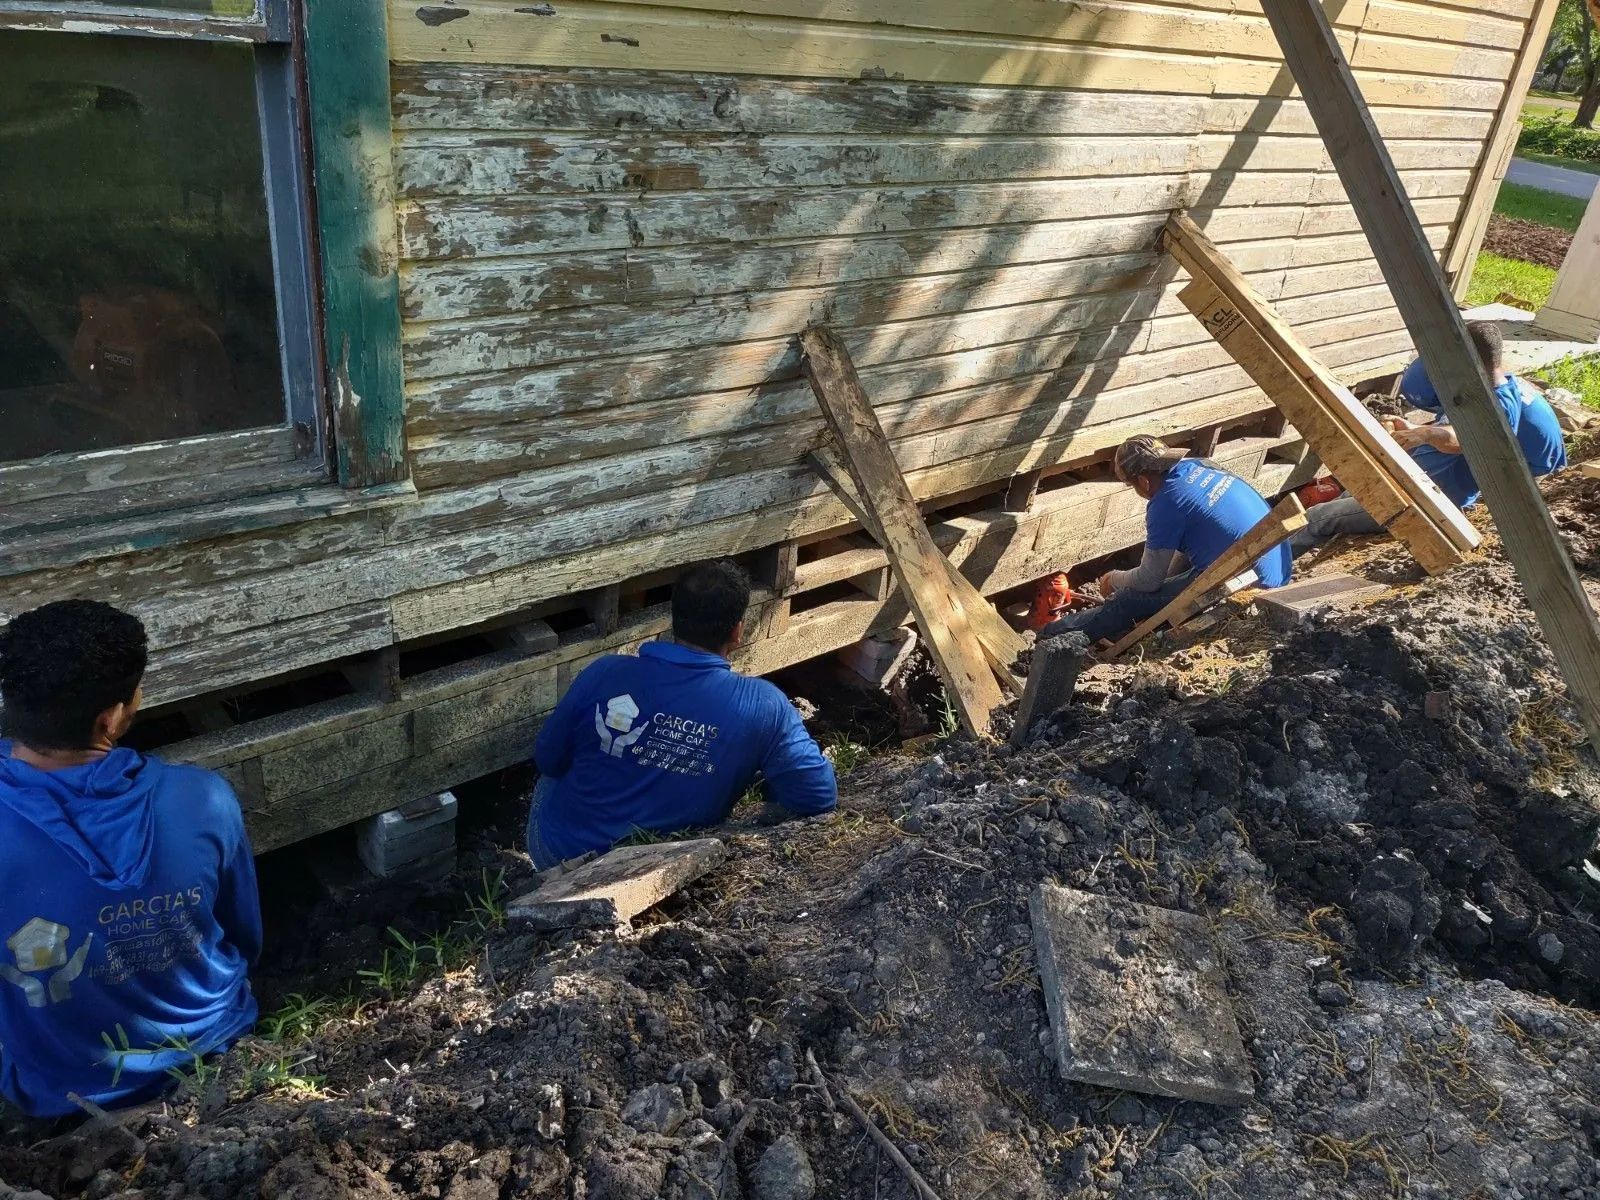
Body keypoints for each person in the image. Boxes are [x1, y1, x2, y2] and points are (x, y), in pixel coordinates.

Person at [0, 601, 260, 1119]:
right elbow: (244, 935)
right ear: (113, 716)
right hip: (215, 1048)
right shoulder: (205, 798)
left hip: (63, 1096)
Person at [527, 560, 837, 867]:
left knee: (550, 778)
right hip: (661, 866)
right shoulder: (765, 705)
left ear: (674, 619)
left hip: (562, 854)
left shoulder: (604, 672)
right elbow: (817, 795)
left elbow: (548, 758)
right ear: (737, 631)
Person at [1293, 321, 1555, 550]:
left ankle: (1261, 578)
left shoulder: (1495, 407)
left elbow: (1461, 439)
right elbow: (1453, 427)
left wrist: (1427, 434)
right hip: (1414, 482)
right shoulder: (1485, 388)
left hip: (1425, 502)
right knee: (1350, 494)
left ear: (1467, 358)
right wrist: (1414, 429)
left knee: (1317, 518)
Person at [1043, 436, 1292, 645]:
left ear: (1143, 481)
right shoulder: (1201, 466)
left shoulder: (1165, 503)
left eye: (1133, 486)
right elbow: (1188, 545)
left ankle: (1049, 634)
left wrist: (1113, 579)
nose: (1138, 492)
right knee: (1169, 576)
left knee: (1127, 600)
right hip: (1273, 566)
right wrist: (1168, 588)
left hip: (1248, 586)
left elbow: (1149, 580)